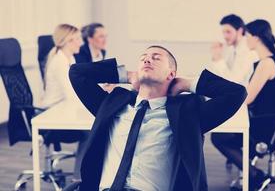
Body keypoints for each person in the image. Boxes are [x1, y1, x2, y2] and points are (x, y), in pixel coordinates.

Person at [68, 45, 247, 191]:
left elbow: (236, 93)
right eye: (144, 57)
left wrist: (186, 83)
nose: (147, 59)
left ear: (171, 74)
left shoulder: (187, 116)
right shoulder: (111, 105)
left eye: (156, 57)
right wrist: (127, 76)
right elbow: (77, 73)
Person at [211, 19, 275, 190]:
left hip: (266, 123)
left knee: (219, 137)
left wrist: (223, 102)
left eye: (248, 36)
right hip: (266, 118)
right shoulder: (266, 60)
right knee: (224, 133)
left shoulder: (266, 63)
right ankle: (252, 171)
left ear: (256, 38)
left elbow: (248, 98)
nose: (246, 40)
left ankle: (254, 174)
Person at [42, 24, 89, 181]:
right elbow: (72, 94)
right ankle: (78, 179)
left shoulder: (69, 58)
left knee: (92, 128)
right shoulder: (59, 62)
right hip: (52, 114)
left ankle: (82, 175)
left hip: (64, 109)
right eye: (77, 39)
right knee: (89, 132)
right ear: (68, 41)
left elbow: (78, 88)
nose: (80, 43)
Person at [210, 14, 257, 86]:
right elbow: (219, 75)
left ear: (240, 31)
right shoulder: (231, 48)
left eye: (228, 32)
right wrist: (215, 57)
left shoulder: (247, 50)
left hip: (243, 95)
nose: (225, 36)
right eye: (223, 32)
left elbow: (233, 81)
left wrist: (218, 59)